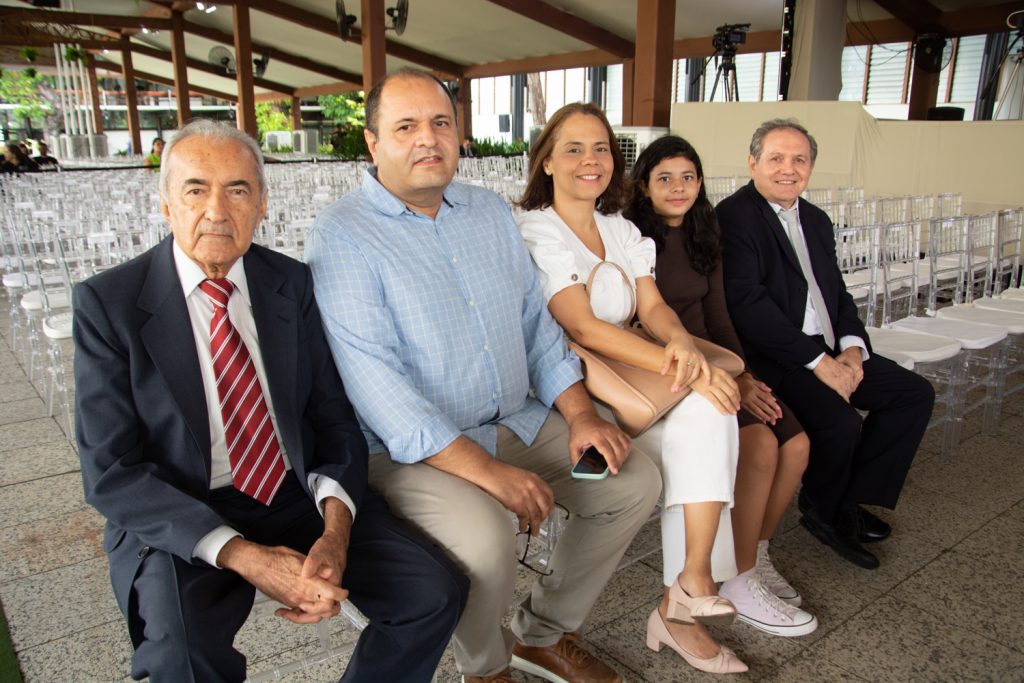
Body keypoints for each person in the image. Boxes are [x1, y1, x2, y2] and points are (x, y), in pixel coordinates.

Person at [73, 119, 468, 683]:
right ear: (165, 205)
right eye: (195, 189)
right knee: (181, 660)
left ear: (262, 205)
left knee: (433, 592)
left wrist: (335, 531)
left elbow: (332, 418)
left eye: (238, 190)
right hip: (182, 506)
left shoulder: (291, 283)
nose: (217, 210)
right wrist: (247, 556)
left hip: (293, 493)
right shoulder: (108, 305)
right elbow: (111, 473)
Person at [306, 69, 661, 683]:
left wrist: (579, 414)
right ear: (372, 143)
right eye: (407, 126)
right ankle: (487, 666)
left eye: (441, 123)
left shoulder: (488, 211)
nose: (428, 139)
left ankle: (540, 634)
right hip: (409, 451)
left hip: (514, 418)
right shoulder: (343, 236)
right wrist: (490, 473)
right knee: (487, 535)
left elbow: (537, 328)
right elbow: (378, 388)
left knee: (631, 482)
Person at [516, 103, 746, 675]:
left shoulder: (620, 228)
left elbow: (655, 306)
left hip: (632, 371)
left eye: (601, 150)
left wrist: (684, 346)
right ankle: (681, 605)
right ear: (546, 161)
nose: (590, 161)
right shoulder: (536, 228)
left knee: (713, 414)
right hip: (571, 383)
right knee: (706, 418)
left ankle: (691, 583)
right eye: (573, 149)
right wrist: (686, 367)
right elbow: (583, 327)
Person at [717, 118, 935, 570]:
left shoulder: (816, 219)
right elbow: (749, 306)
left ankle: (849, 498)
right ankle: (823, 510)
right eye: (776, 158)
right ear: (753, 162)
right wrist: (819, 362)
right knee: (840, 424)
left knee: (913, 395)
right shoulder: (734, 217)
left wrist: (853, 348)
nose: (788, 169)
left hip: (829, 346)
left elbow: (835, 291)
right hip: (778, 354)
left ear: (811, 167)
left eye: (799, 159)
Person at [625, 135, 817, 638]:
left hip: (719, 359)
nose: (678, 187)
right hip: (670, 370)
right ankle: (737, 579)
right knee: (759, 444)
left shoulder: (702, 231)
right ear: (643, 185)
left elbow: (718, 316)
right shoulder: (631, 238)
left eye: (688, 176)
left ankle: (754, 557)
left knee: (795, 444)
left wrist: (744, 375)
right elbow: (637, 323)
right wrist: (718, 374)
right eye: (664, 177)